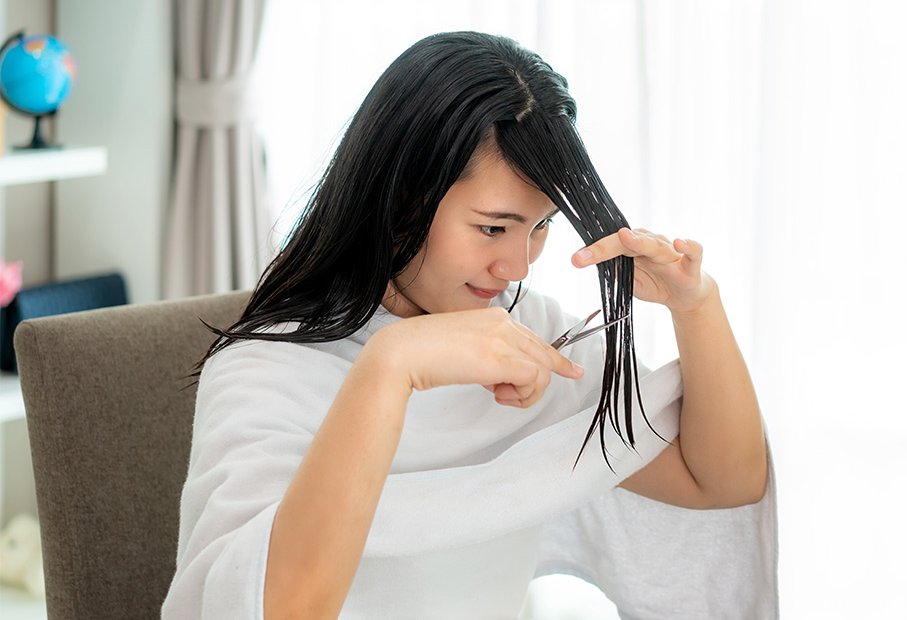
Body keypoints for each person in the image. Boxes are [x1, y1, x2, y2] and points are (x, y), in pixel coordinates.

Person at [163, 31, 776, 619]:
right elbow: (283, 610)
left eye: (539, 228)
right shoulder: (263, 369)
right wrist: (393, 365)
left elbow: (724, 480)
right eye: (491, 228)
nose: (515, 267)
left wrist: (697, 307)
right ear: (400, 200)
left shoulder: (520, 329)